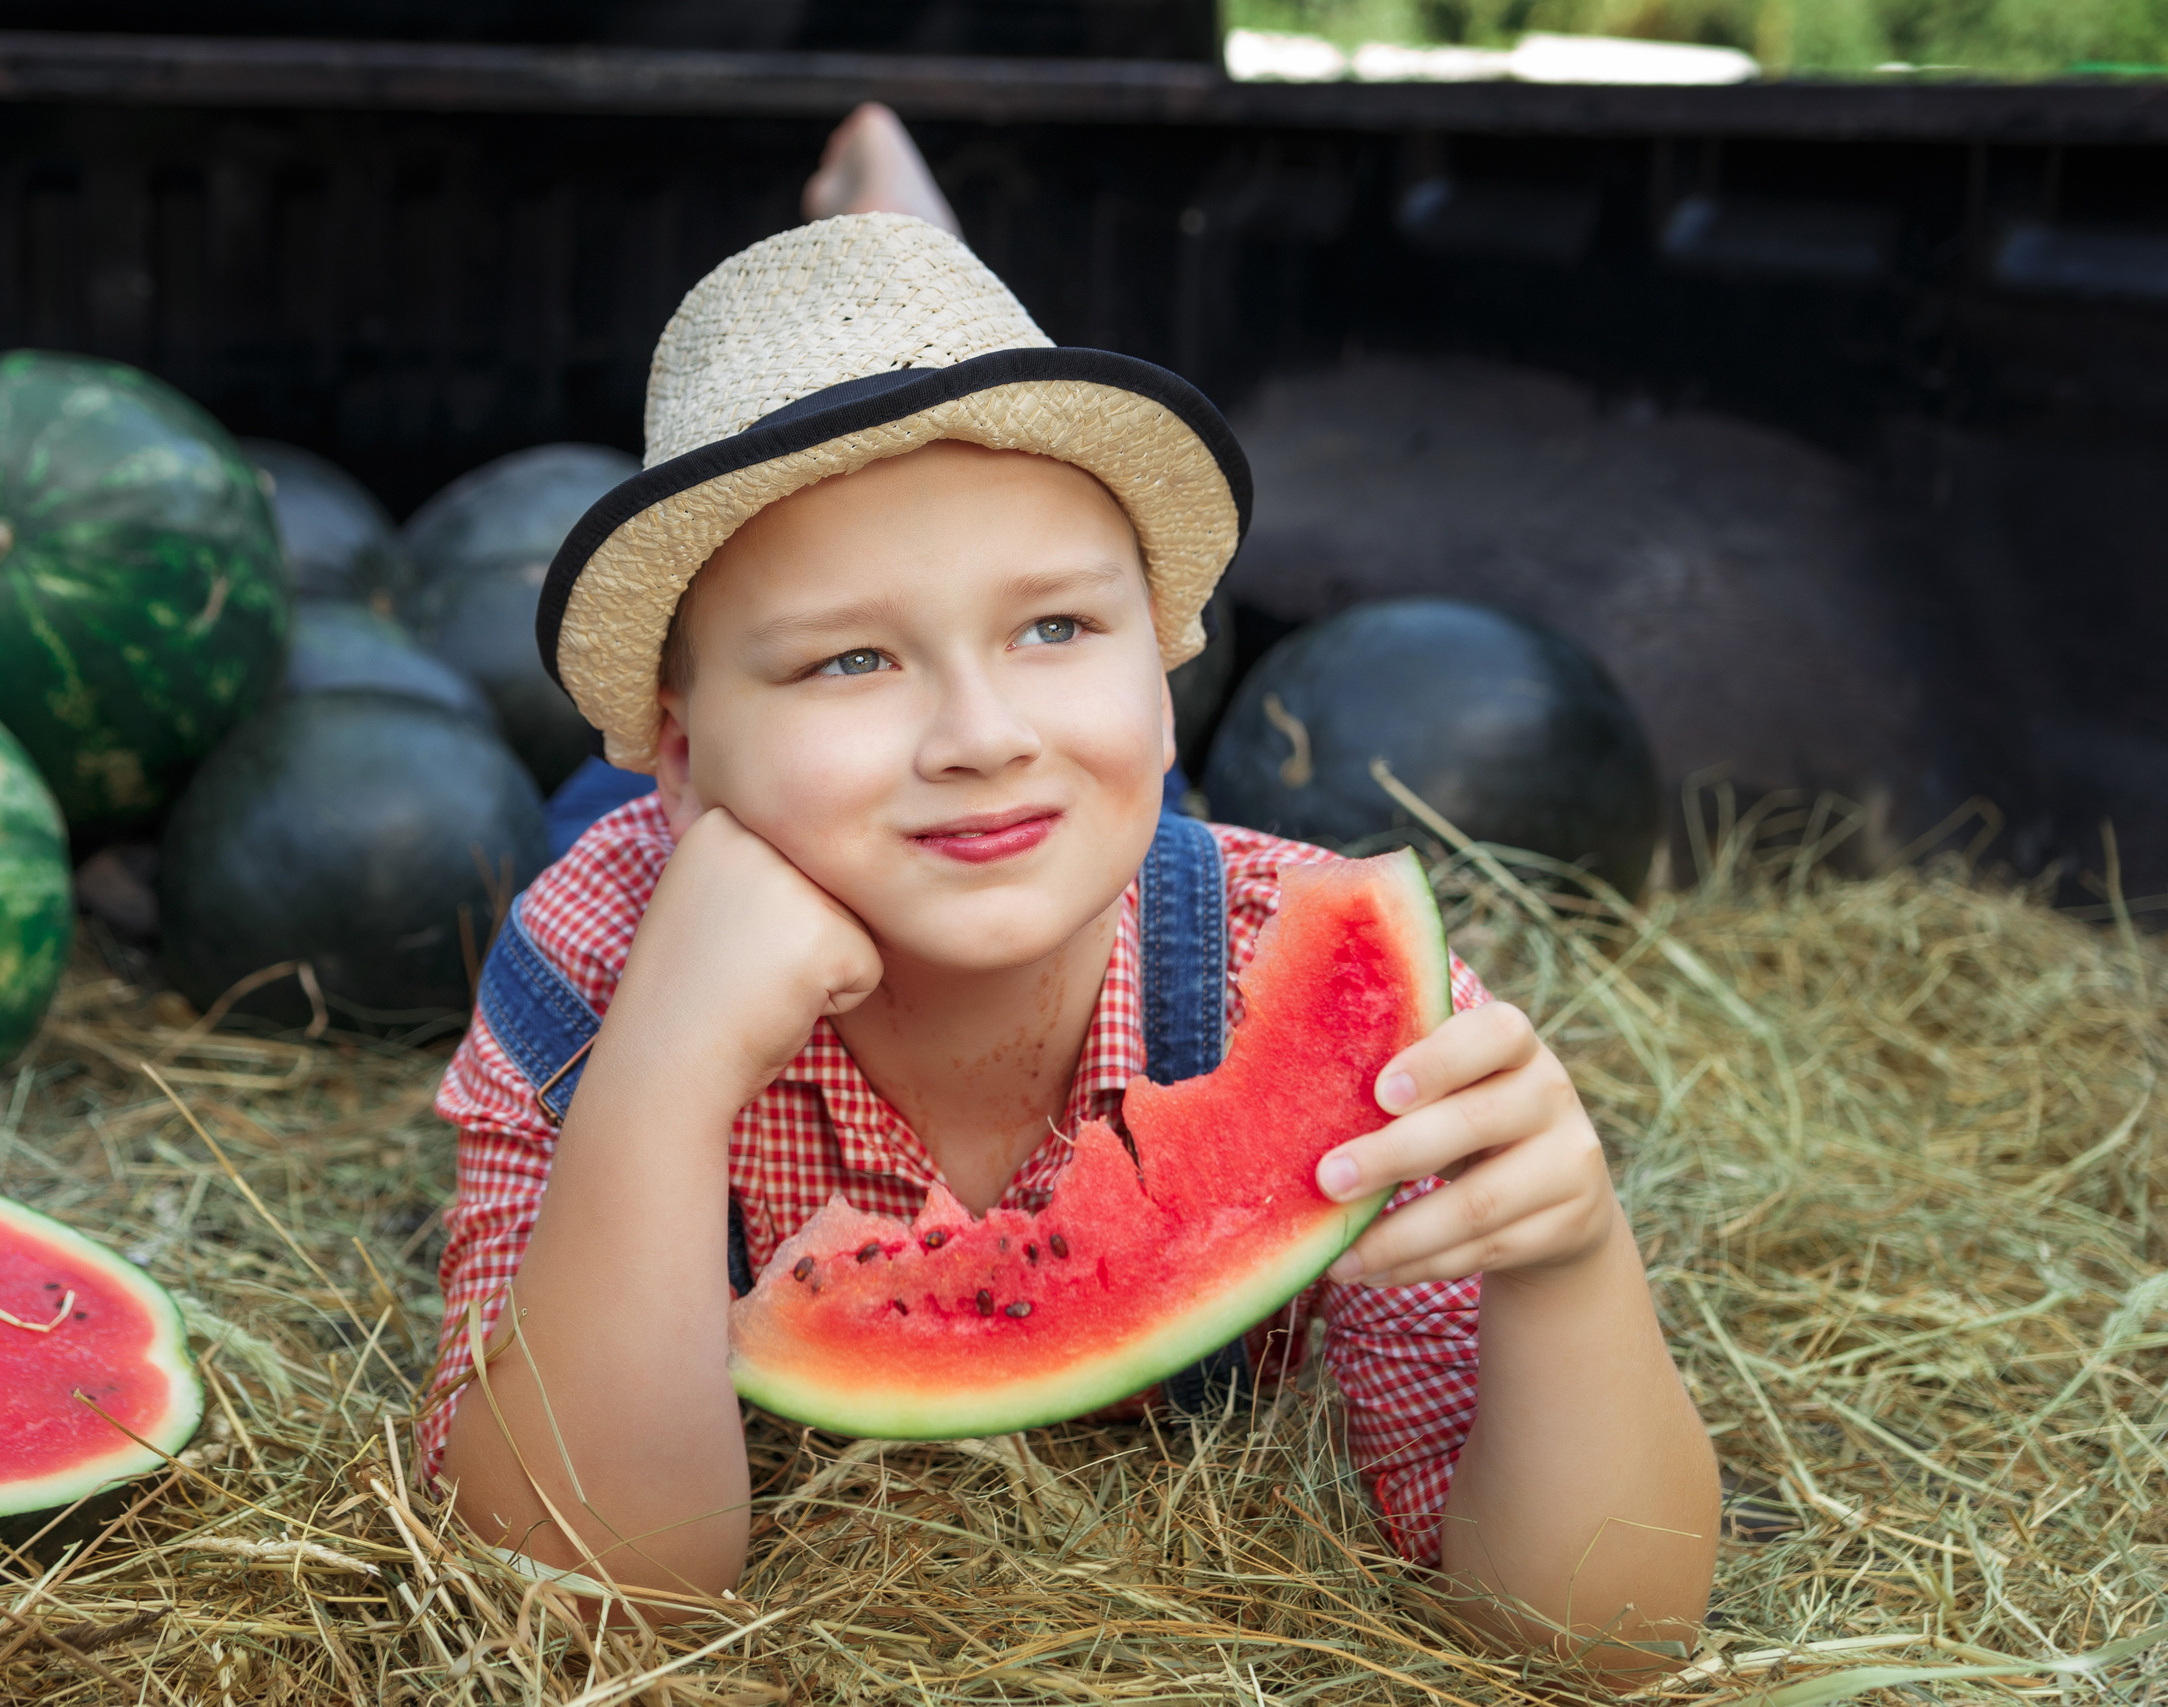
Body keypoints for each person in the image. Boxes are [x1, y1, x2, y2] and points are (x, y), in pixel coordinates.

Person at [420, 146, 1720, 1682]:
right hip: (711, 867)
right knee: (583, 818)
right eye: (850, 658)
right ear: (692, 754)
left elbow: (1594, 1652)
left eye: (1058, 624)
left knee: (1076, 846)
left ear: (1171, 688)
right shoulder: (589, 971)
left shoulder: (1291, 977)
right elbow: (574, 1611)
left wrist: (1571, 1264)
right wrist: (660, 1075)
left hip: (1076, 871)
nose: (983, 726)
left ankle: (920, 263)